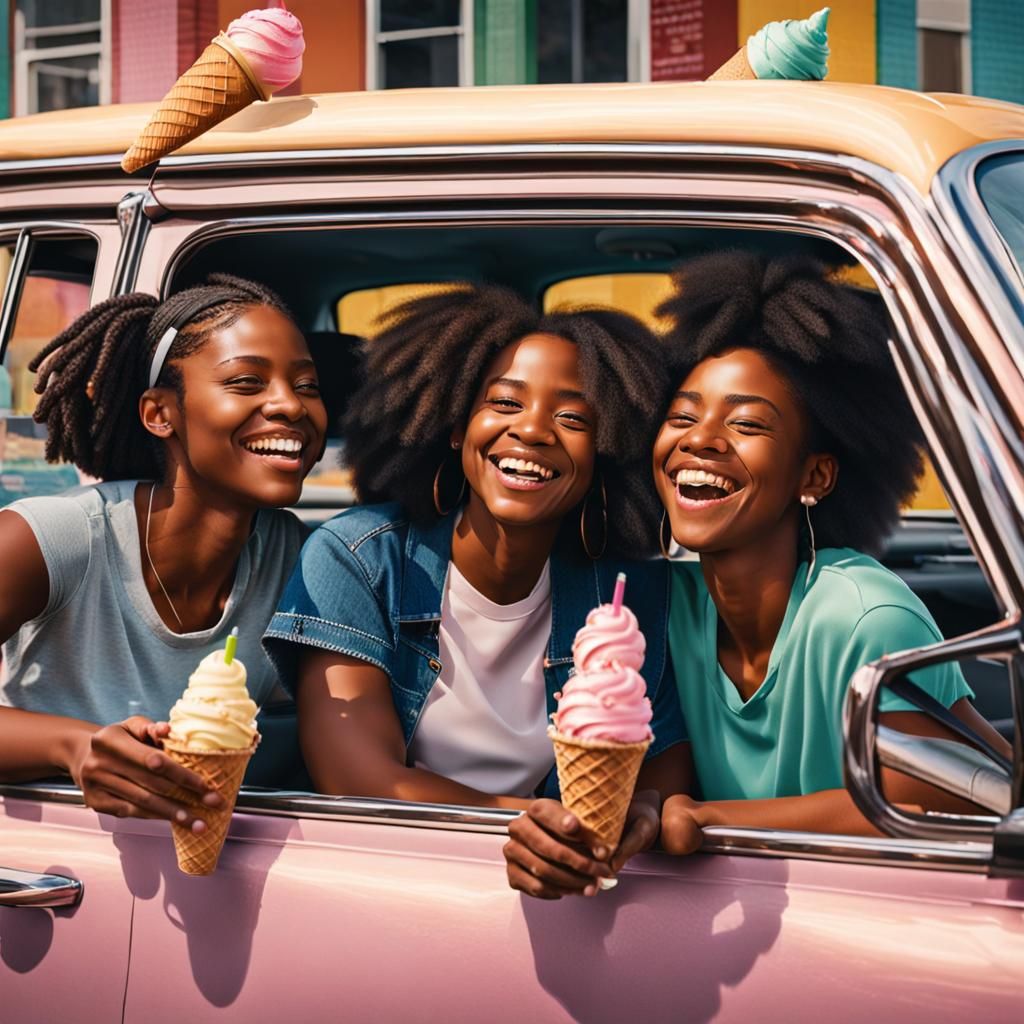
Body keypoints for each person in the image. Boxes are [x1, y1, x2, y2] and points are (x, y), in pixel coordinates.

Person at [263, 284, 688, 896]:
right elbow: (358, 779)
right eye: (505, 404)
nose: (534, 431)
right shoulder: (357, 557)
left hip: (571, 896)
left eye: (572, 418)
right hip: (387, 886)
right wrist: (527, 824)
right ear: (458, 428)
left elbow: (663, 762)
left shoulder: (628, 591)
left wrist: (641, 816)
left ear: (603, 453)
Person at [648, 251, 1012, 853]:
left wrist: (718, 819)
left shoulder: (864, 615)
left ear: (813, 477)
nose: (699, 440)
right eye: (681, 416)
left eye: (747, 425)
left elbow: (958, 792)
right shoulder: (661, 609)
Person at [0, 274, 328, 836]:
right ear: (159, 414)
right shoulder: (50, 539)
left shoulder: (300, 559)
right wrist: (72, 746)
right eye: (247, 381)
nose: (288, 404)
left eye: (308, 385)